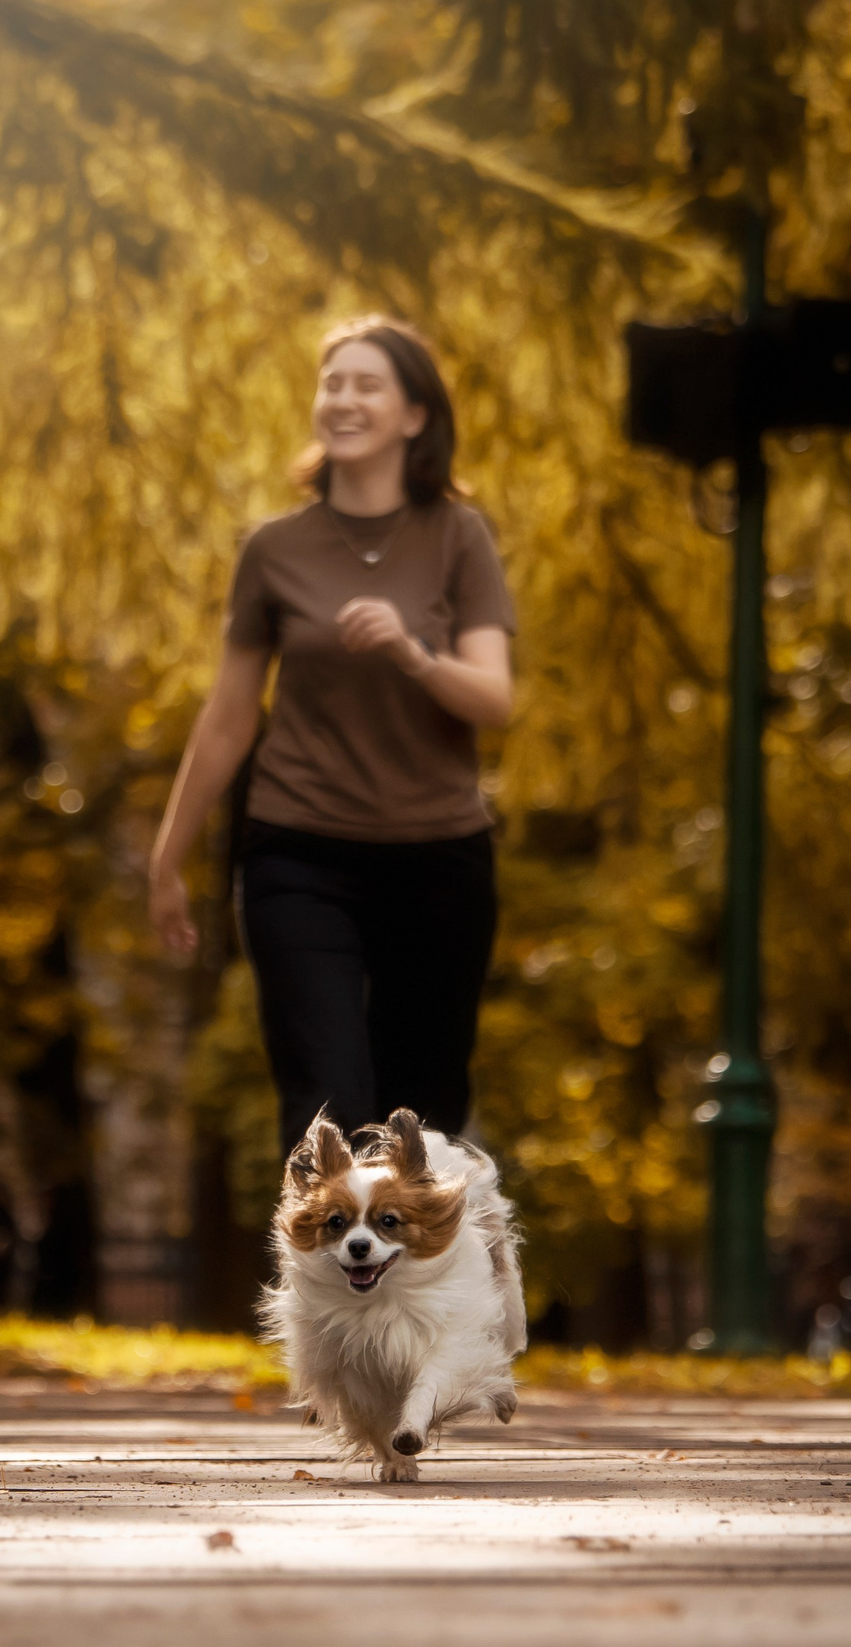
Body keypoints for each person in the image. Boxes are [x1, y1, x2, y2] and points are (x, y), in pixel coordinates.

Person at [149, 315, 516, 1159]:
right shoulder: (275, 550)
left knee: (421, 1121)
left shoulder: (460, 536)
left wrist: (410, 652)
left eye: (367, 384)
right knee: (329, 1101)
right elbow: (230, 714)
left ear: (414, 415)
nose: (342, 400)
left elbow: (494, 698)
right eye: (332, 383)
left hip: (438, 855)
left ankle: (411, 1296)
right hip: (300, 852)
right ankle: (324, 1294)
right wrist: (168, 856)